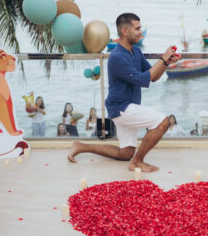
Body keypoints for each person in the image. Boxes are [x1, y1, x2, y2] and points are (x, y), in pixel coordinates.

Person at [67, 13, 180, 171]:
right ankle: (137, 162)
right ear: (125, 31)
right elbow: (143, 79)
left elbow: (153, 76)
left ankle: (81, 146)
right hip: (121, 108)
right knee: (163, 122)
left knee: (125, 152)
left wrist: (166, 62)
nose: (141, 32)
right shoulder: (117, 57)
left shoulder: (136, 52)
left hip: (126, 107)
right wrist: (162, 59)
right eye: (137, 28)